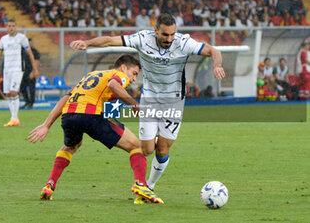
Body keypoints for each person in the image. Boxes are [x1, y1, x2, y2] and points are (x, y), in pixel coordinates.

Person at [69, 13, 225, 203]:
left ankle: (147, 186)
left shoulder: (183, 43)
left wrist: (217, 65)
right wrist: (88, 43)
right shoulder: (143, 39)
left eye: (172, 35)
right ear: (155, 31)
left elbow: (214, 51)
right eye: (165, 35)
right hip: (150, 99)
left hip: (174, 101)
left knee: (162, 150)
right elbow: (110, 40)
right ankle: (148, 171)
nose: (169, 39)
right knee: (147, 148)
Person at [28, 55, 163, 204]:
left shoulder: (90, 75)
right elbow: (113, 85)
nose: (133, 79)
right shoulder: (117, 75)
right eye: (134, 73)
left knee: (71, 146)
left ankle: (49, 185)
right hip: (91, 115)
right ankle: (141, 185)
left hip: (69, 116)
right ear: (124, 67)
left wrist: (46, 125)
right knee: (136, 145)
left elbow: (66, 98)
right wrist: (134, 104)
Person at [0, 19, 38, 126]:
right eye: (9, 26)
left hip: (17, 69)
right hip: (7, 70)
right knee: (8, 94)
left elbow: (30, 53)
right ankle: (13, 118)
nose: (11, 28)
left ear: (16, 27)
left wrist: (34, 69)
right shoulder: (3, 39)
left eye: (13, 26)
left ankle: (15, 118)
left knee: (14, 92)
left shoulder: (21, 38)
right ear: (6, 27)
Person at [20, 38, 40, 109]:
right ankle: (27, 101)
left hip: (31, 71)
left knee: (32, 88)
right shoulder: (23, 51)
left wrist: (34, 71)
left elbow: (37, 61)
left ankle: (31, 103)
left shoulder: (35, 52)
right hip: (24, 72)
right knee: (22, 87)